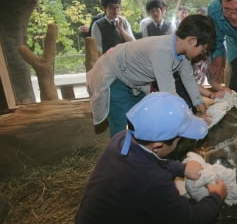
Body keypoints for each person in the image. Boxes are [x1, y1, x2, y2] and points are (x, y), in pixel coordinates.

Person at [72, 92, 227, 224]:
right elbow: (190, 222)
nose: (180, 141)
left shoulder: (121, 139)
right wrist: (215, 197)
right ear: (158, 146)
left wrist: (182, 168)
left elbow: (147, 162)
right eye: (179, 139)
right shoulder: (153, 180)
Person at [86, 14, 215, 137]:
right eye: (202, 50)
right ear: (192, 41)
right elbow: (169, 94)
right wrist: (193, 118)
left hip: (135, 81)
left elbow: (189, 80)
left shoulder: (182, 54)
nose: (201, 54)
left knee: (141, 118)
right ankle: (120, 154)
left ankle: (139, 153)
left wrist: (204, 111)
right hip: (116, 77)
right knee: (123, 122)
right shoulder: (163, 51)